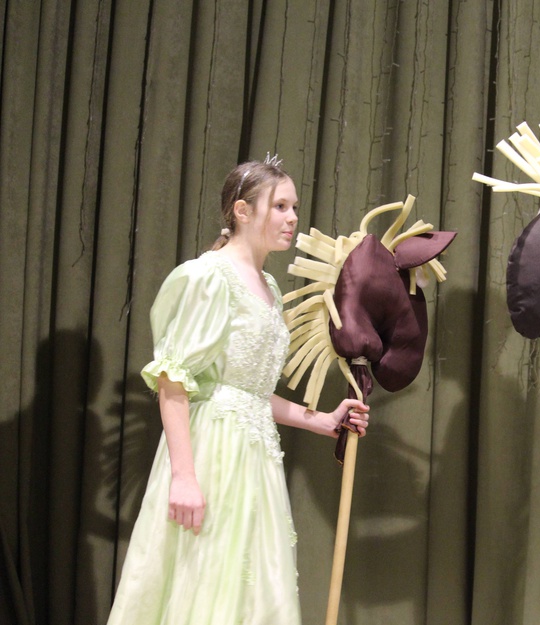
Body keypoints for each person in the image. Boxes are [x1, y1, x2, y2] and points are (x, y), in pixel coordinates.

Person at [107, 158, 370, 624]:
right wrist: (184, 477)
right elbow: (174, 381)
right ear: (242, 211)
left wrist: (323, 421)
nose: (292, 217)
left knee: (250, 591)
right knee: (205, 581)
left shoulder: (268, 286)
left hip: (255, 460)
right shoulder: (208, 277)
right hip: (212, 454)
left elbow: (250, 391)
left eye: (294, 207)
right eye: (280, 206)